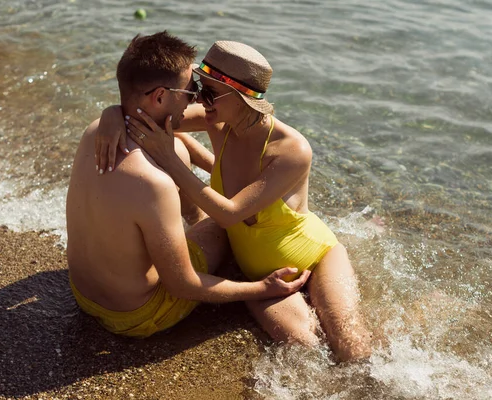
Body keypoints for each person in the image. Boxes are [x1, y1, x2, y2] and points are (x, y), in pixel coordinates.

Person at [95, 40, 372, 361]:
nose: (198, 99)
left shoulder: (291, 149)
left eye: (209, 93)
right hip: (260, 276)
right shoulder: (217, 119)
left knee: (349, 344)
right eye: (198, 89)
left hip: (317, 255)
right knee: (305, 348)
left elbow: (230, 214)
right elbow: (147, 112)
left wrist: (171, 160)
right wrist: (111, 114)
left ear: (241, 98)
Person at [66, 32, 310, 339]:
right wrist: (260, 289)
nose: (196, 98)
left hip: (84, 294)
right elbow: (182, 285)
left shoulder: (95, 132)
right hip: (137, 315)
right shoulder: (153, 185)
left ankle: (183, 228)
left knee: (176, 146)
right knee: (225, 229)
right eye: (191, 89)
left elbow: (158, 127)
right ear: (159, 97)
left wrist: (112, 112)